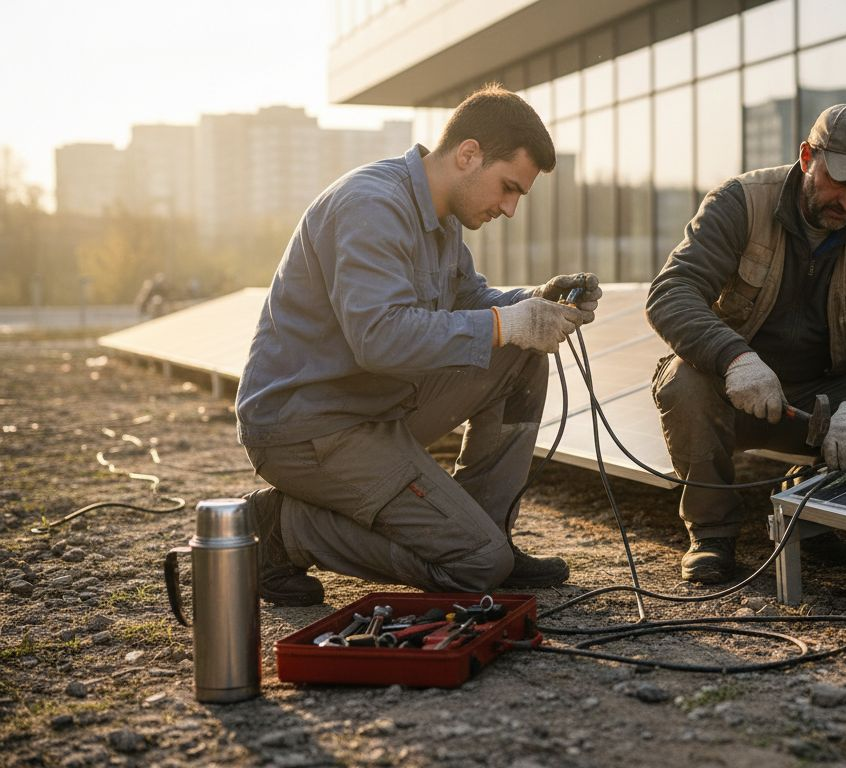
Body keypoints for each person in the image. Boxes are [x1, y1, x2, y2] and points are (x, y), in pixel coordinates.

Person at [234, 84, 601, 606]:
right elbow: (379, 338)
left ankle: (487, 528)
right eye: (508, 187)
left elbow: (473, 299)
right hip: (308, 429)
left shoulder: (442, 217)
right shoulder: (370, 206)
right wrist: (509, 322)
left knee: (521, 352)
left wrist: (536, 302)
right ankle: (284, 529)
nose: (511, 208)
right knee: (479, 566)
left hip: (374, 405)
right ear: (468, 154)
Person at [646, 104, 846, 584]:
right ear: (807, 157)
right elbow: (671, 292)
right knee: (682, 383)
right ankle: (713, 535)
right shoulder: (741, 202)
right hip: (733, 392)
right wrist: (735, 358)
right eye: (839, 181)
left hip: (820, 404)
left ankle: (813, 507)